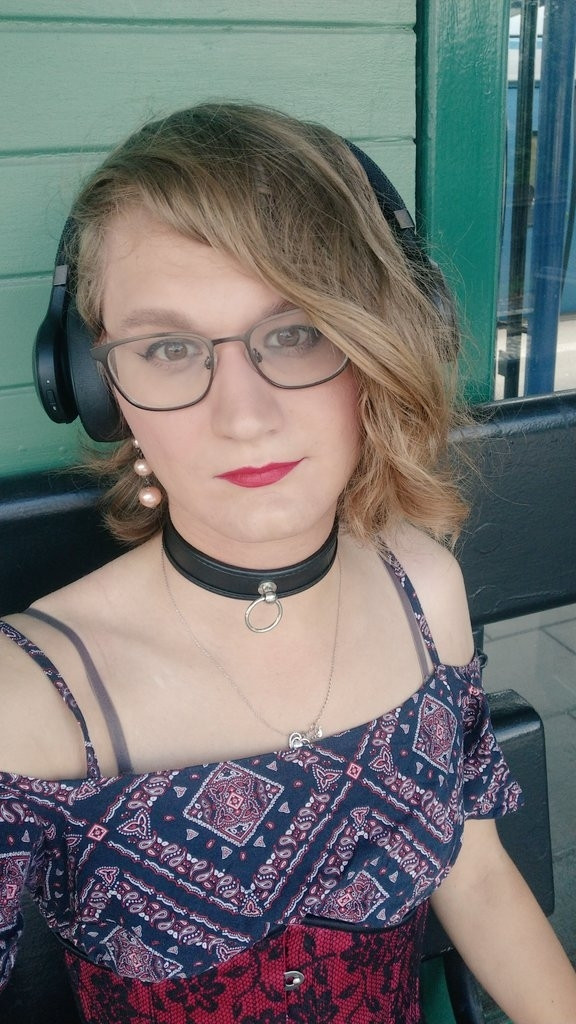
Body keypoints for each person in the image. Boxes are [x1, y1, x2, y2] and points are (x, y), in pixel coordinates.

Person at [0, 102, 575, 1024]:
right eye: (169, 348)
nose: (245, 415)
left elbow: (478, 878)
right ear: (94, 383)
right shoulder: (26, 695)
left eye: (299, 329)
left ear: (383, 341)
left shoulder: (424, 590)